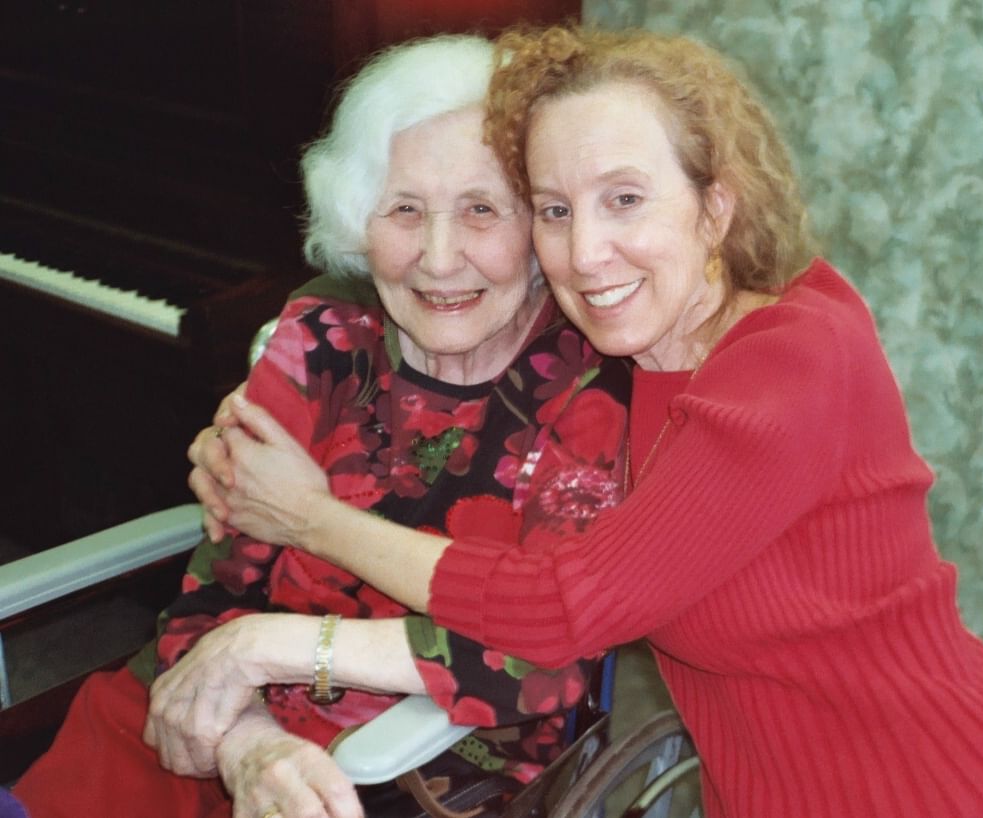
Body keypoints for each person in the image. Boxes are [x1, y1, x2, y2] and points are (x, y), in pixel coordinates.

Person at [190, 26, 983, 818]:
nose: (586, 252)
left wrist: (308, 522)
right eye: (553, 210)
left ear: (715, 205)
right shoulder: (627, 343)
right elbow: (422, 308)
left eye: (625, 199)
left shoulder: (794, 354)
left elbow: (565, 608)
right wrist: (259, 406)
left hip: (951, 790)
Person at [13, 34, 631, 818]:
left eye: (482, 210)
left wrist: (267, 651)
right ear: (357, 218)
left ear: (542, 229)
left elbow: (543, 663)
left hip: (419, 764)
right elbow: (212, 598)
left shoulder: (594, 390)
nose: (439, 260)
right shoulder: (322, 339)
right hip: (221, 719)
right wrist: (250, 744)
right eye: (404, 209)